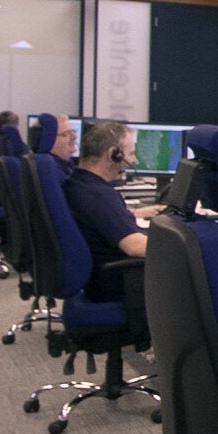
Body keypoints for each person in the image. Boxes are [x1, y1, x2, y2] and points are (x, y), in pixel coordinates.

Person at [63, 121, 163, 306]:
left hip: (99, 279)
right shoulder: (99, 195)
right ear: (112, 155)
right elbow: (135, 246)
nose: (134, 161)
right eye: (131, 153)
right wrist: (192, 248)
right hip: (121, 283)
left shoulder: (79, 183)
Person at [48, 114, 78, 180]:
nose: (74, 137)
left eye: (73, 132)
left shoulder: (67, 166)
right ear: (49, 140)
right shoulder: (53, 172)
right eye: (66, 134)